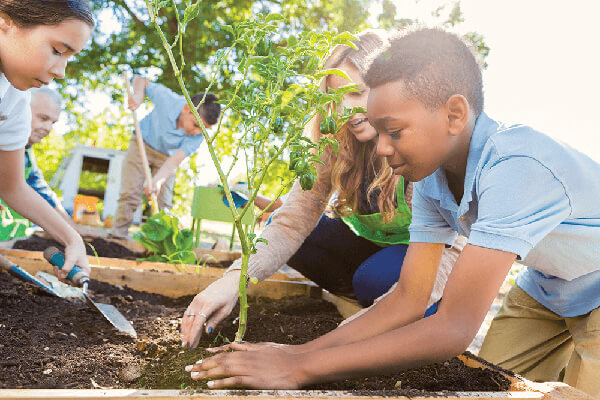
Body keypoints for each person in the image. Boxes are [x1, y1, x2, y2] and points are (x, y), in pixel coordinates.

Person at [185, 27, 600, 397]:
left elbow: (454, 328)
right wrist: (299, 352)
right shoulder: (433, 180)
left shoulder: (516, 168)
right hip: (546, 287)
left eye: (394, 132)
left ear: (454, 114)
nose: (382, 148)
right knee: (494, 382)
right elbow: (406, 298)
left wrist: (299, 368)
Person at [180, 30, 465, 349]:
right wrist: (234, 280)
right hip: (370, 248)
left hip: (427, 256)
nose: (346, 110)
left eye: (358, 93)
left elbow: (455, 248)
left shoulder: (421, 147)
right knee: (280, 227)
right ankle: (364, 298)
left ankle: (390, 304)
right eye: (336, 98)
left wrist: (340, 339)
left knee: (374, 278)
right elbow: (292, 221)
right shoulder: (334, 142)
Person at [0, 0, 94, 279]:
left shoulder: (14, 100)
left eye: (68, 58)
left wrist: (71, 237)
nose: (61, 72)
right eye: (57, 51)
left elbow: (12, 185)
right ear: (6, 21)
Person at [111, 76, 221, 238]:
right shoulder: (168, 100)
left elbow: (174, 161)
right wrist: (139, 95)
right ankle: (118, 235)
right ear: (186, 109)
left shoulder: (198, 137)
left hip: (167, 158)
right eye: (196, 125)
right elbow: (141, 80)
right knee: (131, 192)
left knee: (164, 201)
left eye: (203, 129)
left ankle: (160, 241)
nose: (197, 132)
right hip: (142, 143)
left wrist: (157, 181)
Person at [0, 87, 96, 241]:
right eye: (43, 118)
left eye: (53, 122)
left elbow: (45, 197)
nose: (48, 128)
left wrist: (74, 232)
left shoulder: (27, 156)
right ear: (20, 109)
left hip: (9, 243)